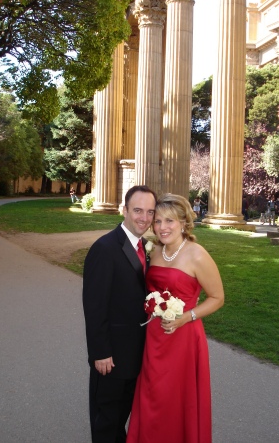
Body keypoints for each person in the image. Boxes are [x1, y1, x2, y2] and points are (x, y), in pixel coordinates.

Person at [127, 193, 224, 443]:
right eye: (157, 221)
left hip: (183, 336)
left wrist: (186, 317)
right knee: (153, 394)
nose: (162, 227)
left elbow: (217, 298)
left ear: (183, 222)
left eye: (169, 221)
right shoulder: (155, 250)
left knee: (177, 397)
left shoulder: (197, 255)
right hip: (154, 336)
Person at [82, 185, 157, 443]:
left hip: (135, 354)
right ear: (123, 210)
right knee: (107, 422)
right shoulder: (105, 249)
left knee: (121, 418)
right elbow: (94, 306)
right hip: (110, 357)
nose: (144, 218)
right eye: (137, 210)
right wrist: (100, 352)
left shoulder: (144, 247)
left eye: (150, 212)